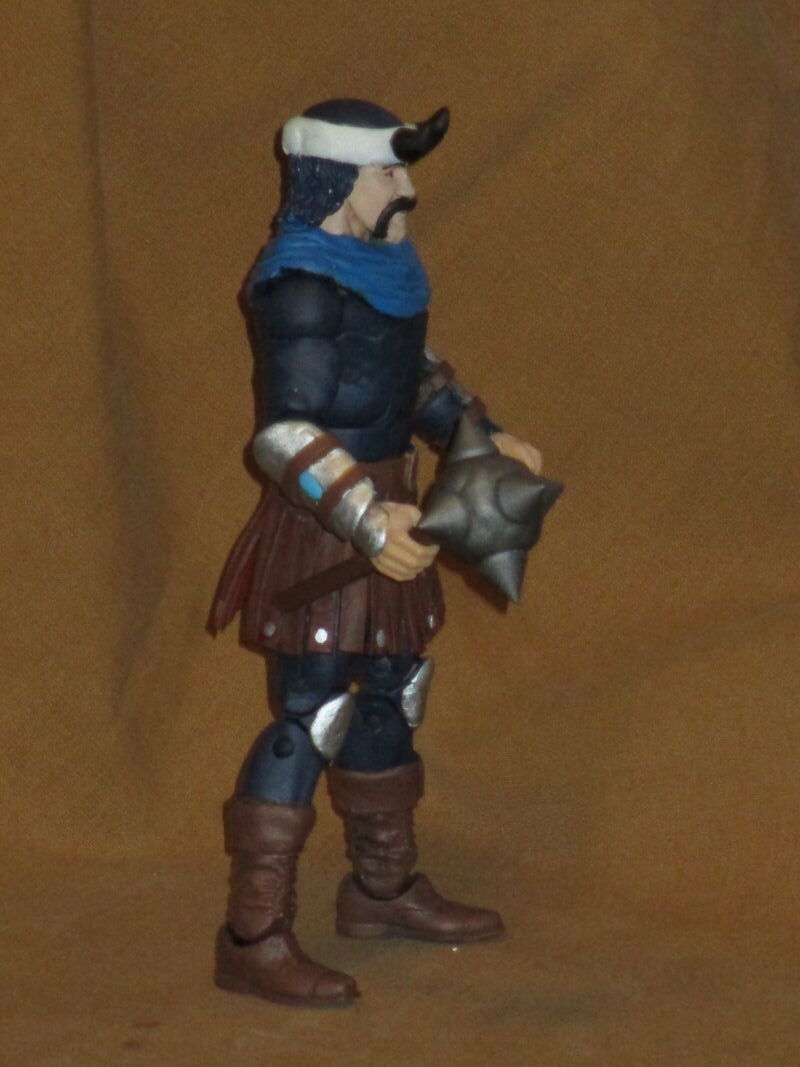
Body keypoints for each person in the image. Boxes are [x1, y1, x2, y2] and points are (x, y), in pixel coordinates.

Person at [209, 98, 542, 1006]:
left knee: (395, 686)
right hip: (327, 523)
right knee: (311, 711)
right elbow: (284, 433)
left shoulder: (384, 272)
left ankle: (382, 889)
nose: (407, 189)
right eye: (389, 172)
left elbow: (410, 379)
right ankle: (254, 934)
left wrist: (483, 436)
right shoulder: (302, 286)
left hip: (393, 510)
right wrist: (363, 516)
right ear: (338, 181)